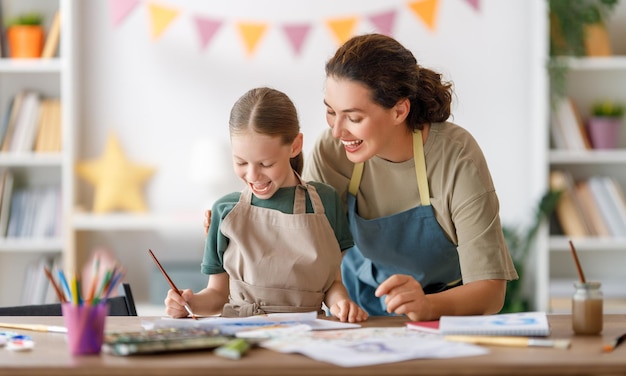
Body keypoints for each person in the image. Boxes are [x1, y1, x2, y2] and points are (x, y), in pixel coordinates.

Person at [204, 34, 518, 322]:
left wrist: (429, 306)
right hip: (355, 316)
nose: (337, 130)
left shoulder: (455, 157)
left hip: (442, 312)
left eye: (354, 118)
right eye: (331, 111)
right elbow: (301, 230)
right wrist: (239, 223)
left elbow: (491, 290)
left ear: (399, 111)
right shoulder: (334, 149)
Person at [167, 87, 368, 323]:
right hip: (243, 333)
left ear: (295, 146)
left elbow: (333, 284)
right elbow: (217, 295)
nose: (253, 175)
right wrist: (188, 303)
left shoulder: (326, 202)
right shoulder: (224, 210)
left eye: (265, 163)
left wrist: (341, 303)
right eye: (241, 162)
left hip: (308, 332)